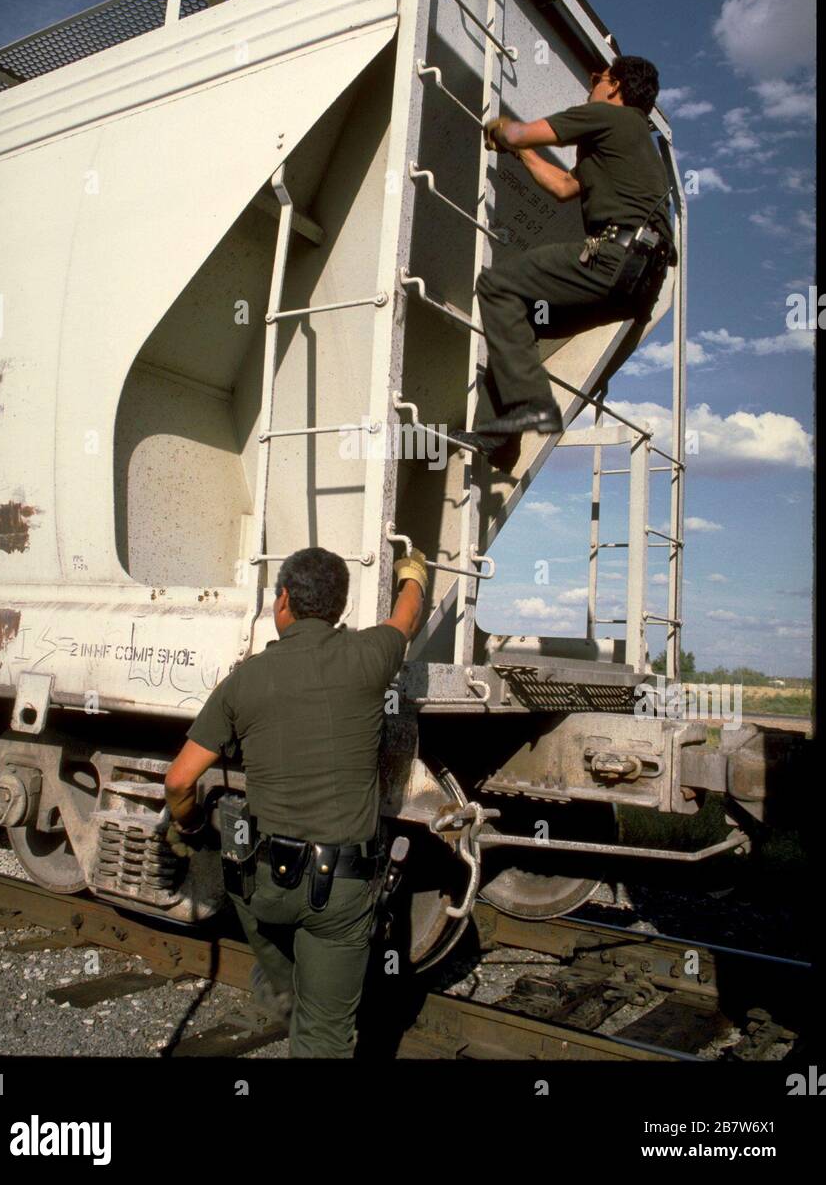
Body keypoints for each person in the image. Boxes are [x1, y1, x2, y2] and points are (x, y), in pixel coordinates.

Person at [162, 543, 427, 1057]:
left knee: (235, 850)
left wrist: (190, 826)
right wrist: (410, 569)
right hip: (344, 890)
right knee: (324, 1036)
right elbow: (409, 613)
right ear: (341, 608)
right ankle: (308, 1002)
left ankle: (284, 983)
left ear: (283, 600)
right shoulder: (371, 655)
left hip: (264, 884)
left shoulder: (245, 680)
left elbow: (179, 780)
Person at [455, 55, 675, 462]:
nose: (590, 86)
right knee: (526, 317)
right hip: (636, 287)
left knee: (498, 286)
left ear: (615, 85)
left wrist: (504, 129)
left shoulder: (610, 116)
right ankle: (505, 440)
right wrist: (518, 152)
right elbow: (563, 186)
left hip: (614, 257)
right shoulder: (628, 141)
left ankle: (527, 409)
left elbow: (527, 133)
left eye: (597, 78)